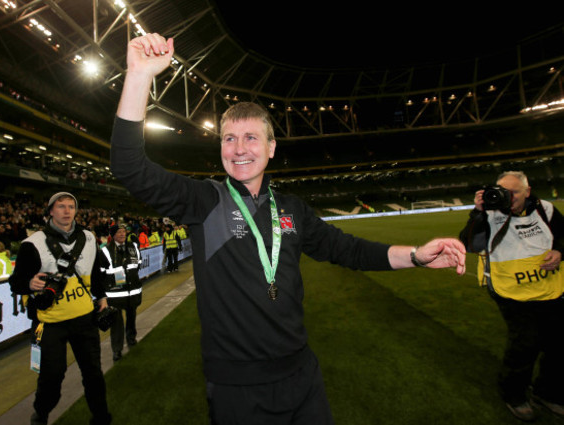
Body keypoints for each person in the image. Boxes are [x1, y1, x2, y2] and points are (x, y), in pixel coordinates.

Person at [109, 33, 467, 425]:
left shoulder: (292, 209)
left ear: (272, 147)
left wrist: (415, 256)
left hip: (302, 375)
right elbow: (130, 168)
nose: (239, 148)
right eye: (229, 138)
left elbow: (348, 249)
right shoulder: (204, 201)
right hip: (237, 387)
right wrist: (139, 75)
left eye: (251, 137)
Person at [459, 171, 564, 421]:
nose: (508, 197)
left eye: (513, 192)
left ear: (527, 191)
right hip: (510, 291)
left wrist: (560, 251)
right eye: (502, 191)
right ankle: (514, 395)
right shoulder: (490, 214)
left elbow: (563, 236)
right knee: (525, 342)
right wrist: (479, 212)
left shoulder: (546, 210)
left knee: (559, 344)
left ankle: (547, 393)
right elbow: (470, 245)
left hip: (550, 289)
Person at [8, 192, 112, 425]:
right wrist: (29, 283)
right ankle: (41, 414)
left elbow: (94, 273)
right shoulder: (32, 244)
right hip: (49, 323)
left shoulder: (89, 238)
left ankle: (101, 417)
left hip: (84, 318)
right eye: (61, 206)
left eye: (71, 206)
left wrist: (102, 295)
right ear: (50, 211)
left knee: (93, 373)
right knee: (52, 376)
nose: (66, 211)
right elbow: (16, 283)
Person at [100, 224, 143, 361]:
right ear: (113, 235)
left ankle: (131, 338)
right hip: (116, 296)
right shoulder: (106, 251)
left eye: (123, 232)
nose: (122, 234)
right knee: (116, 325)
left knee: (132, 318)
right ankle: (117, 350)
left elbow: (138, 264)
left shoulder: (133, 247)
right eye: (119, 232)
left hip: (132, 292)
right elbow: (101, 274)